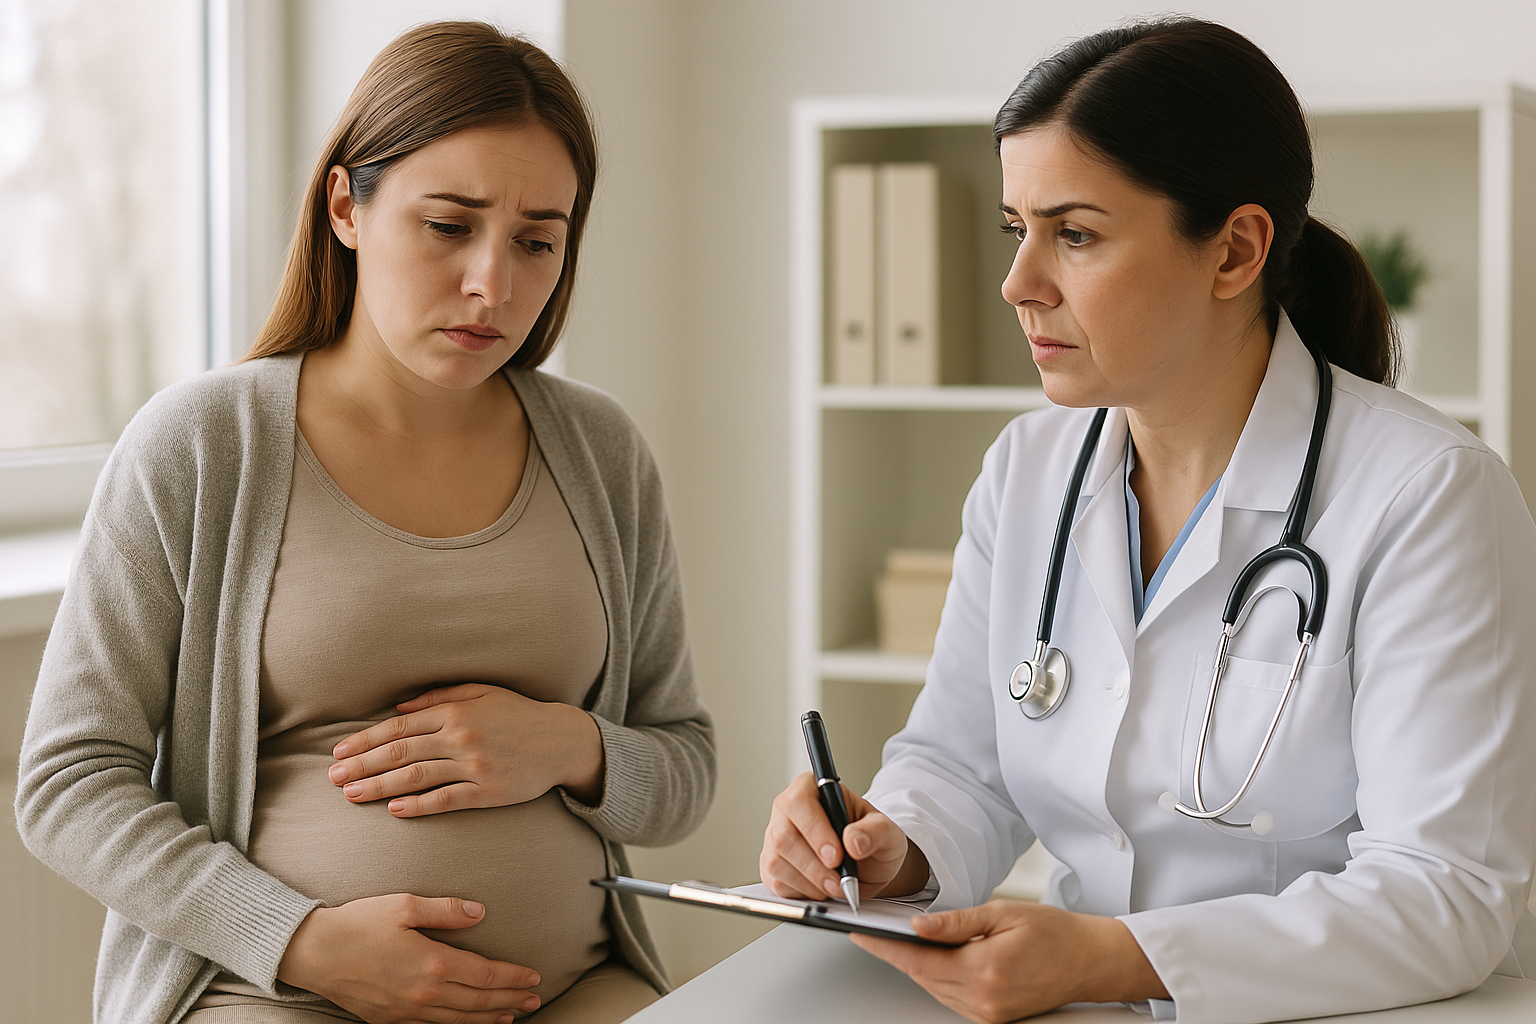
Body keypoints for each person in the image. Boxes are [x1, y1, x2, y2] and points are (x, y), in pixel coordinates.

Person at [760, 17, 1536, 1024]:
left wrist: (1112, 957)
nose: (1017, 283)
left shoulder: (1429, 493)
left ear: (1235, 250)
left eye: (1074, 234)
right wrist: (885, 846)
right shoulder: (1026, 470)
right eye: (1017, 228)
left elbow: (1447, 895)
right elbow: (961, 765)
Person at [15, 21, 714, 1024]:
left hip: (571, 990)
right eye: (448, 225)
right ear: (347, 204)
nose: (494, 285)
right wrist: (299, 941)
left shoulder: (600, 451)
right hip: (277, 994)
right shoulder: (203, 443)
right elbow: (68, 783)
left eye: (537, 242)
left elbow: (684, 765)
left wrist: (570, 745)